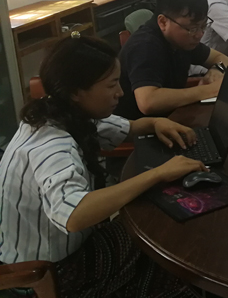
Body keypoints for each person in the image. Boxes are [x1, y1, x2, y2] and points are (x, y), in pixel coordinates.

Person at [0, 35, 206, 297]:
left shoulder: (60, 112)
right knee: (159, 231)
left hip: (62, 252)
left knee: (158, 232)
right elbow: (75, 215)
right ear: (76, 91)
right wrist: (157, 174)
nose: (120, 92)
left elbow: (128, 127)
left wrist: (156, 123)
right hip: (49, 275)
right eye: (111, 85)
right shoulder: (51, 146)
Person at [116, 0, 228, 120]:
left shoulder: (182, 40)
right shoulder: (145, 46)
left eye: (203, 26)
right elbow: (148, 102)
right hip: (139, 129)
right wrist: (209, 90)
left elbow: (222, 58)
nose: (199, 34)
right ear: (163, 22)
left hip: (170, 118)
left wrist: (217, 70)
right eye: (192, 28)